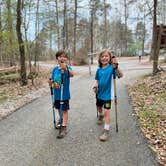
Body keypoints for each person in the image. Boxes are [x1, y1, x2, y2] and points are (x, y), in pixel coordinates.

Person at [93, 49, 123, 141]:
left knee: (107, 112)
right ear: (99, 59)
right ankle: (100, 115)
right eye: (102, 56)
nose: (104, 58)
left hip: (108, 95)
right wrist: (95, 86)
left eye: (106, 56)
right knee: (98, 107)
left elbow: (121, 75)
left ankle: (106, 130)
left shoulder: (112, 68)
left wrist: (116, 66)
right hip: (99, 94)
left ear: (109, 58)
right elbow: (97, 80)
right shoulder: (98, 70)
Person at [48, 50, 74, 139]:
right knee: (58, 108)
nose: (62, 58)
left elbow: (72, 75)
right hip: (57, 94)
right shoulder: (55, 69)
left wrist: (65, 68)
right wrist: (50, 82)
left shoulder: (68, 67)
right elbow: (53, 79)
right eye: (60, 56)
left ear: (66, 59)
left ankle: (64, 127)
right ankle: (61, 119)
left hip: (64, 94)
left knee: (64, 110)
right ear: (57, 59)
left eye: (64, 56)